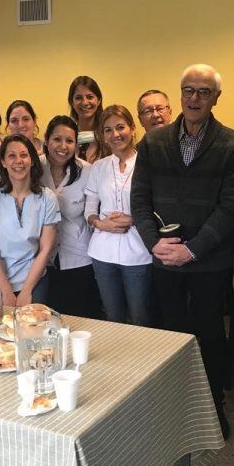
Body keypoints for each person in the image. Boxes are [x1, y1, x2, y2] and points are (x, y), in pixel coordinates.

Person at [132, 64, 234, 439]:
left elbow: (231, 206)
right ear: (179, 94)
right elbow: (139, 198)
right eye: (188, 90)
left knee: (210, 336)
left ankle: (212, 406)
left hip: (208, 264)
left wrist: (194, 251)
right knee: (170, 334)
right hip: (165, 259)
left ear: (216, 97)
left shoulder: (233, 145)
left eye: (203, 92)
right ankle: (174, 405)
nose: (194, 98)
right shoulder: (153, 142)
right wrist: (154, 242)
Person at [85, 105, 153, 326]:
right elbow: (89, 210)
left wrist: (134, 219)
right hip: (102, 252)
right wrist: (99, 223)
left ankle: (141, 360)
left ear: (132, 129)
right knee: (112, 317)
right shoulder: (99, 167)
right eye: (108, 130)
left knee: (140, 316)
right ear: (102, 136)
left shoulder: (148, 164)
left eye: (120, 127)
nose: (115, 134)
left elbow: (159, 208)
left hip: (139, 251)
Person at [0, 134, 60, 307]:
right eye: (11, 156)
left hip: (31, 278)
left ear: (33, 160)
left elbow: (45, 249)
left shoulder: (47, 198)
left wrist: (27, 291)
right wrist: (6, 291)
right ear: (4, 163)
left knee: (31, 329)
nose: (18, 161)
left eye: (24, 155)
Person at [40, 116, 100, 318]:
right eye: (57, 139)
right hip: (41, 260)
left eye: (69, 141)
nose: (63, 146)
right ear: (46, 140)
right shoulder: (32, 168)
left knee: (79, 319)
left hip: (79, 259)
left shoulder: (87, 171)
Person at [0, 100, 43, 173]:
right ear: (8, 125)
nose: (20, 125)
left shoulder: (48, 151)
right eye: (14, 120)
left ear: (34, 121)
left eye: (26, 119)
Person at [68, 76, 108, 163]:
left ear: (99, 100)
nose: (85, 102)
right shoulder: (68, 135)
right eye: (78, 98)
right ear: (72, 102)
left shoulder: (108, 133)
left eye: (90, 97)